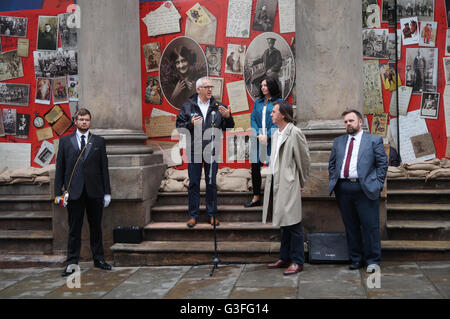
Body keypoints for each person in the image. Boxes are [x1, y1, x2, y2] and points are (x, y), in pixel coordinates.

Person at [328, 109, 388, 274]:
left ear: (360, 122)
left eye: (351, 121)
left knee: (370, 227)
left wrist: (377, 183)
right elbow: (332, 164)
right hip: (344, 189)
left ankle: (373, 261)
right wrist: (335, 180)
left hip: (365, 189)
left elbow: (382, 164)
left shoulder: (373, 140)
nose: (348, 124)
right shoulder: (338, 142)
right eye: (346, 121)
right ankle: (356, 259)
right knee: (351, 226)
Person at [54, 108, 112, 277]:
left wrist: (107, 192)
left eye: (87, 119)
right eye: (81, 119)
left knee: (96, 228)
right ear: (75, 121)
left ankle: (99, 259)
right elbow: (60, 169)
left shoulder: (99, 141)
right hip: (74, 193)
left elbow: (104, 168)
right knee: (74, 229)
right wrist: (58, 192)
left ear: (90, 121)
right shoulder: (65, 141)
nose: (84, 122)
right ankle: (71, 262)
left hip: (95, 191)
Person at [176, 77, 235, 228]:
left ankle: (212, 215)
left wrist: (228, 117)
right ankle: (193, 216)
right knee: (194, 183)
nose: (210, 89)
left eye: (211, 87)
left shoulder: (217, 106)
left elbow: (228, 126)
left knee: (211, 183)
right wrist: (190, 124)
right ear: (198, 89)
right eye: (206, 87)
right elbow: (179, 127)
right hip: (194, 150)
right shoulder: (188, 106)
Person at [263, 100, 310, 276]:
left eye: (274, 111)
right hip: (277, 182)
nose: (271, 114)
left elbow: (304, 160)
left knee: (294, 223)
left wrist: (301, 182)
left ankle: (297, 261)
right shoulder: (276, 134)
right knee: (284, 222)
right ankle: (284, 257)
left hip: (289, 182)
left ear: (283, 114)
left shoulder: (295, 132)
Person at [245, 76, 281, 207]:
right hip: (258, 139)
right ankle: (256, 197)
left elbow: (279, 120)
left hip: (273, 140)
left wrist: (269, 136)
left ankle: (273, 200)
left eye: (265, 85)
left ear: (272, 86)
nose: (263, 88)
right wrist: (259, 134)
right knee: (255, 168)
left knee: (273, 168)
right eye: (261, 86)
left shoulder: (280, 102)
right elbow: (253, 119)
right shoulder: (258, 103)